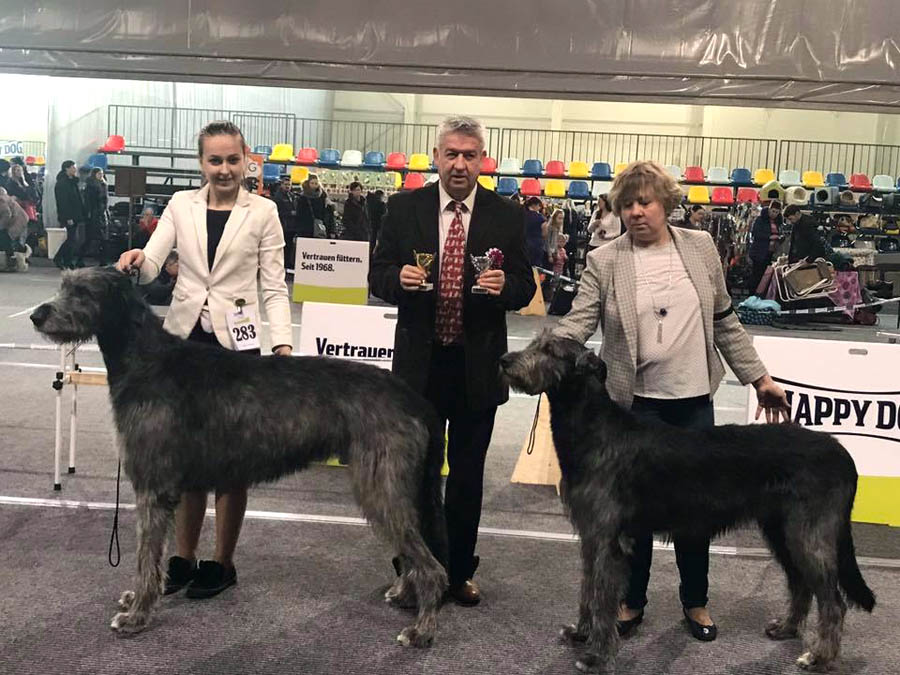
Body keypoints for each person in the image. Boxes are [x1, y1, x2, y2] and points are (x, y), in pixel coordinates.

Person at [553, 160, 790, 642]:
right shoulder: (605, 259)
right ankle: (631, 602)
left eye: (646, 202)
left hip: (693, 402)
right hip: (634, 406)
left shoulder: (700, 247)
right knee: (631, 515)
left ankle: (695, 601)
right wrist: (546, 354)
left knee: (696, 510)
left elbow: (725, 320)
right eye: (627, 205)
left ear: (666, 204)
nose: (636, 212)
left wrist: (758, 377)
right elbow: (578, 323)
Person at [116, 120, 293, 600]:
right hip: (181, 346)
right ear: (201, 163)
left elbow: (274, 286)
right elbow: (154, 262)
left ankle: (222, 562)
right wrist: (138, 257)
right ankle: (184, 557)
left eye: (232, 160)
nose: (224, 169)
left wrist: (282, 346)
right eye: (214, 161)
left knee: (234, 461)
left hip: (239, 350)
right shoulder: (180, 205)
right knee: (186, 460)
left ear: (246, 159)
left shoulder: (265, 212)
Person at [369, 115, 535, 605]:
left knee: (466, 479)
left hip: (477, 367)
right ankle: (412, 571)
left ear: (482, 161)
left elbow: (526, 286)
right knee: (416, 478)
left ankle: (459, 571)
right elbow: (376, 276)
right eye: (451, 154)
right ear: (436, 156)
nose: (460, 164)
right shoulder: (403, 210)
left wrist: (508, 289)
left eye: (470, 155)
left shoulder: (506, 216)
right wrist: (395, 279)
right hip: (418, 370)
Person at [53, 159, 86, 269]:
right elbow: (63, 202)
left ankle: (67, 261)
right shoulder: (62, 184)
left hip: (76, 214)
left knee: (72, 239)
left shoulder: (73, 182)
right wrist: (68, 217)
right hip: (69, 216)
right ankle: (59, 258)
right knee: (72, 239)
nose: (75, 169)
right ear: (66, 168)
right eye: (73, 167)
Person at [748, 200, 783, 293]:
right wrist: (770, 237)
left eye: (776, 212)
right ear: (769, 209)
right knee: (757, 274)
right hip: (759, 251)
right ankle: (752, 293)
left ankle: (762, 294)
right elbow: (755, 233)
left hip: (771, 252)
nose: (774, 214)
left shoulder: (779, 222)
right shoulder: (760, 219)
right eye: (773, 211)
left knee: (767, 275)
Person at [83, 168, 110, 265]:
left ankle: (103, 260)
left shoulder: (103, 184)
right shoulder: (92, 186)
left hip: (101, 214)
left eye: (102, 173)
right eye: (99, 174)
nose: (101, 175)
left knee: (101, 239)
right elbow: (89, 201)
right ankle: (102, 260)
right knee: (95, 238)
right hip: (95, 215)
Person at [270, 175, 298, 269]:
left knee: (290, 246)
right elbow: (277, 212)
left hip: (292, 226)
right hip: (283, 225)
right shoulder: (278, 197)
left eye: (289, 185)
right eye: (286, 184)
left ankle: (288, 263)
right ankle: (282, 264)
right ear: (281, 185)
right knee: (283, 247)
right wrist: (290, 213)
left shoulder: (292, 196)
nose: (287, 186)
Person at [0, 187, 28, 271]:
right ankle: (14, 261)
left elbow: (7, 215)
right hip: (15, 220)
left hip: (18, 221)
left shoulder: (1, 200)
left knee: (5, 237)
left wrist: (0, 226)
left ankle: (11, 263)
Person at [297, 174, 332, 238]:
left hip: (319, 226)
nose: (314, 185)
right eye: (312, 183)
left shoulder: (323, 196)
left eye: (316, 183)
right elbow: (299, 214)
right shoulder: (302, 197)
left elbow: (325, 212)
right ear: (308, 183)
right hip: (305, 228)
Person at [523, 196, 546, 267]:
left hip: (524, 244)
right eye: (539, 206)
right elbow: (544, 233)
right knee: (536, 268)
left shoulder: (522, 215)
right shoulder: (541, 218)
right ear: (534, 205)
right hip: (537, 245)